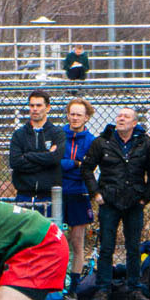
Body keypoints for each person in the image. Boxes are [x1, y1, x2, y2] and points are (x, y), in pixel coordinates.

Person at [80, 107, 150, 300]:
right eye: (119, 116)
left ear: (134, 123)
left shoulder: (144, 142)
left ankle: (134, 289)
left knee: (133, 247)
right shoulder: (102, 141)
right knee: (106, 247)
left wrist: (145, 196)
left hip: (134, 201)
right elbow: (87, 168)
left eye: (126, 116)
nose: (121, 119)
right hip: (109, 201)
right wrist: (96, 193)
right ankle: (103, 289)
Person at [6, 91, 67, 212]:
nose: (35, 109)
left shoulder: (57, 133)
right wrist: (46, 158)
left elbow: (55, 158)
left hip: (49, 197)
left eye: (39, 105)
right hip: (24, 196)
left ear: (47, 108)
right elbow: (15, 162)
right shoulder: (19, 134)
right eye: (32, 105)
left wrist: (28, 156)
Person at [58, 99, 98, 274]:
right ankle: (57, 282)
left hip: (79, 192)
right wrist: (75, 163)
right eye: (72, 114)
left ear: (86, 117)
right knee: (57, 241)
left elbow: (88, 168)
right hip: (57, 191)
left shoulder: (91, 141)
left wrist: (69, 165)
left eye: (79, 115)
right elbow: (54, 163)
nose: (75, 118)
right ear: (67, 115)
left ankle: (74, 284)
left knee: (77, 241)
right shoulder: (58, 136)